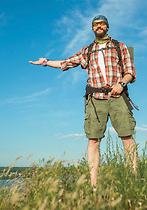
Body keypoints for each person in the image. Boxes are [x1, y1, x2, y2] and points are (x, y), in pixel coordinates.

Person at [29, 15, 137, 187]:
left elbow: (131, 72)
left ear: (107, 27)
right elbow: (65, 63)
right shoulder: (87, 51)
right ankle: (93, 184)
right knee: (93, 140)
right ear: (92, 28)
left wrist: (122, 83)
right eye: (95, 24)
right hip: (95, 100)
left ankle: (134, 179)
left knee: (127, 137)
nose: (99, 26)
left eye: (102, 24)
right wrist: (46, 62)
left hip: (118, 97)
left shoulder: (119, 46)